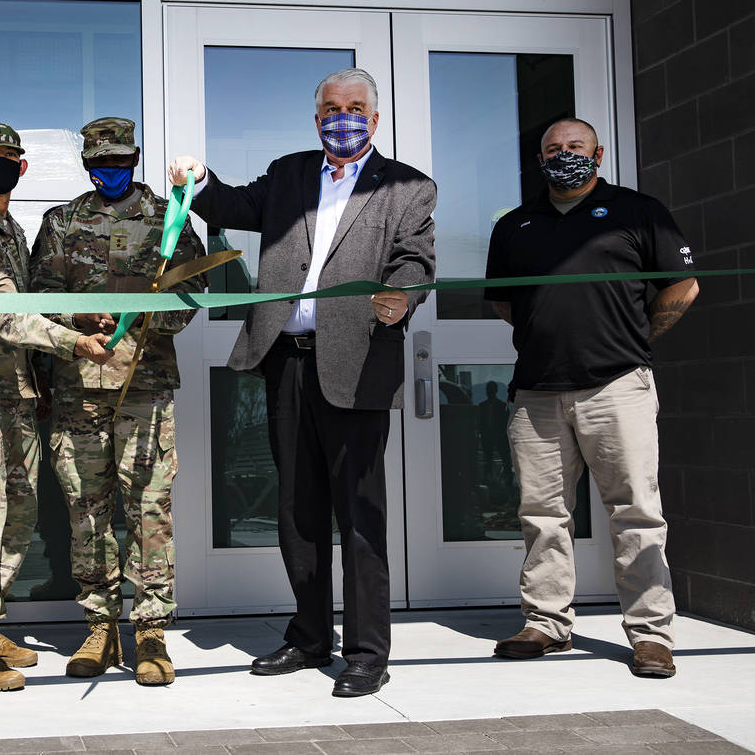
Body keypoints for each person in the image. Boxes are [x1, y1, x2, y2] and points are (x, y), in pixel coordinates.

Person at [168, 67, 436, 698]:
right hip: (286, 360)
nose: (340, 116)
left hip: (358, 365)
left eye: (353, 107)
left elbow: (415, 259)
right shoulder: (290, 173)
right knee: (298, 511)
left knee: (360, 514)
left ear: (374, 117)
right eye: (329, 108)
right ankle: (311, 637)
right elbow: (234, 206)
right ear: (317, 117)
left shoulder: (408, 187)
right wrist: (198, 179)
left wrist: (402, 295)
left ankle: (368, 652)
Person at [485, 117, 698, 678]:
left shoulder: (638, 210)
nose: (563, 154)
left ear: (598, 153)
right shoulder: (513, 224)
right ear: (539, 159)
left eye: (574, 146)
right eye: (552, 148)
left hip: (617, 386)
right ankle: (546, 624)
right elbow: (505, 303)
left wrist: (634, 341)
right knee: (542, 515)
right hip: (537, 392)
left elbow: (684, 284)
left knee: (636, 513)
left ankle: (651, 635)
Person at [0, 122, 113, 692]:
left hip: (14, 392)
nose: (1, 165)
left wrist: (75, 321)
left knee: (18, 513)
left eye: (10, 157)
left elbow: (36, 305)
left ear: (23, 167)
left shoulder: (11, 230)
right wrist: (74, 343)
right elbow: (5, 314)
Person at [30, 116, 206, 686]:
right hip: (78, 387)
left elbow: (191, 293)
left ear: (135, 161)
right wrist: (79, 316)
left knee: (148, 509)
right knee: (86, 510)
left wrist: (151, 315)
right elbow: (39, 298)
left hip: (145, 387)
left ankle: (150, 631)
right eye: (99, 164)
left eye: (120, 163)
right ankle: (100, 627)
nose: (110, 172)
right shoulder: (62, 222)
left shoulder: (167, 220)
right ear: (86, 165)